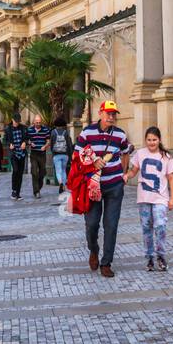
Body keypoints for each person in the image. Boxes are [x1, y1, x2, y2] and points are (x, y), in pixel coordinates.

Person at [73, 99, 132, 278]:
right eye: (108, 113)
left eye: (114, 114)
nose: (112, 116)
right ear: (101, 113)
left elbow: (125, 152)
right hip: (92, 186)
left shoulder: (120, 134)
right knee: (91, 224)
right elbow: (77, 154)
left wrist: (124, 174)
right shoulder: (87, 132)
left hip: (114, 185)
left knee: (111, 225)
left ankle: (106, 263)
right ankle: (93, 249)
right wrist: (92, 161)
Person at [124, 126, 173, 272]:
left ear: (159, 140)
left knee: (160, 225)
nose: (151, 142)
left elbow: (171, 178)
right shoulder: (140, 154)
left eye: (154, 140)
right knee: (146, 227)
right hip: (143, 197)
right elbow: (134, 171)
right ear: (145, 140)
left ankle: (161, 255)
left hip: (160, 197)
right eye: (149, 140)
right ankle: (149, 257)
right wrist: (126, 176)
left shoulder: (166, 157)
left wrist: (172, 198)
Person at [25, 114, 52, 198]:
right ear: (34, 122)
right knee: (34, 172)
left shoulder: (45, 130)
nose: (38, 124)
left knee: (42, 172)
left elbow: (48, 141)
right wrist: (30, 143)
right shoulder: (29, 130)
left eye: (39, 122)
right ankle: (36, 191)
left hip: (42, 153)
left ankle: (38, 188)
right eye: (36, 122)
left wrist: (45, 146)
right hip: (33, 153)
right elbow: (26, 139)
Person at [5, 113, 28, 199]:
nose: (16, 123)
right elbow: (6, 140)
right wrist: (9, 144)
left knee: (20, 173)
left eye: (18, 122)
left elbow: (27, 137)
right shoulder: (8, 129)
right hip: (14, 153)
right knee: (15, 170)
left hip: (22, 153)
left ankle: (18, 193)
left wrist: (24, 142)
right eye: (15, 121)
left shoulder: (23, 128)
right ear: (12, 120)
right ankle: (14, 190)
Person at [50, 117, 72, 193]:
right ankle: (64, 186)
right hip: (65, 155)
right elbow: (69, 144)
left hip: (56, 155)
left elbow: (51, 143)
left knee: (58, 171)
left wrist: (52, 152)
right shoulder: (66, 132)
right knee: (63, 170)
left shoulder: (53, 132)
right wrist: (70, 155)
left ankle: (60, 184)